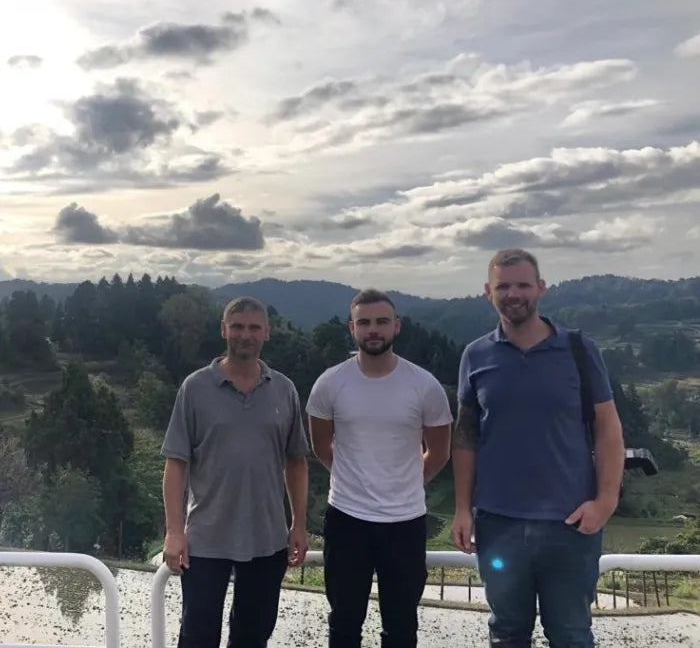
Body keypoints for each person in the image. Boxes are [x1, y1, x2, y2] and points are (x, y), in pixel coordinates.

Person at [450, 249, 625, 648]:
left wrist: (606, 500)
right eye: (503, 286)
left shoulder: (580, 350)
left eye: (523, 284)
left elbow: (609, 429)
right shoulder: (476, 355)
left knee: (571, 635)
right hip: (498, 523)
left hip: (571, 524)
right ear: (487, 292)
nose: (514, 294)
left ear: (541, 289)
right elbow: (466, 437)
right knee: (507, 633)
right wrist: (462, 507)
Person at [307, 288, 453, 648]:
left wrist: (403, 483)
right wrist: (352, 477)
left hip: (405, 522)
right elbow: (320, 446)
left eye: (382, 322)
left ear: (397, 326)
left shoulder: (425, 386)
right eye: (365, 322)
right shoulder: (330, 383)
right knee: (343, 623)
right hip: (346, 519)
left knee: (402, 626)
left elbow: (439, 451)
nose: (374, 329)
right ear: (352, 328)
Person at [161, 296, 309, 648]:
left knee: (252, 637)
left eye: (254, 327)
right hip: (206, 539)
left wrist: (299, 525)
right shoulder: (195, 388)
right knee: (197, 636)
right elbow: (176, 464)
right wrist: (173, 531)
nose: (246, 335)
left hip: (268, 538)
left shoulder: (284, 389)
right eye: (238, 327)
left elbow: (296, 462)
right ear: (224, 329)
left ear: (267, 333)